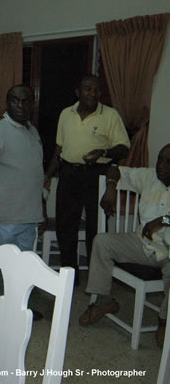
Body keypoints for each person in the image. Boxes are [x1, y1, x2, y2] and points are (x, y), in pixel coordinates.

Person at [0, 85, 45, 341]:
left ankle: (16, 312)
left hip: (28, 218)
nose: (20, 106)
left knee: (22, 271)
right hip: (1, 218)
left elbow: (35, 175)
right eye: (15, 100)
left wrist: (40, 213)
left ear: (31, 104)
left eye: (25, 101)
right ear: (7, 102)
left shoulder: (33, 132)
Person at [79, 144, 170, 348]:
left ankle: (165, 322)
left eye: (168, 162)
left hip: (168, 253)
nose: (162, 166)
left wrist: (164, 220)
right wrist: (111, 186)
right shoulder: (149, 177)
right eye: (160, 160)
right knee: (102, 242)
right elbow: (114, 169)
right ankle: (103, 302)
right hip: (142, 244)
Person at [44, 74, 130, 282]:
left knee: (96, 228)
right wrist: (48, 174)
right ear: (78, 92)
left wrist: (103, 152)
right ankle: (69, 276)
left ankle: (96, 278)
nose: (92, 93)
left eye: (96, 90)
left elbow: (123, 148)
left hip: (96, 176)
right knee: (66, 227)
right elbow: (59, 147)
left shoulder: (110, 115)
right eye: (87, 89)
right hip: (68, 174)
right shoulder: (66, 114)